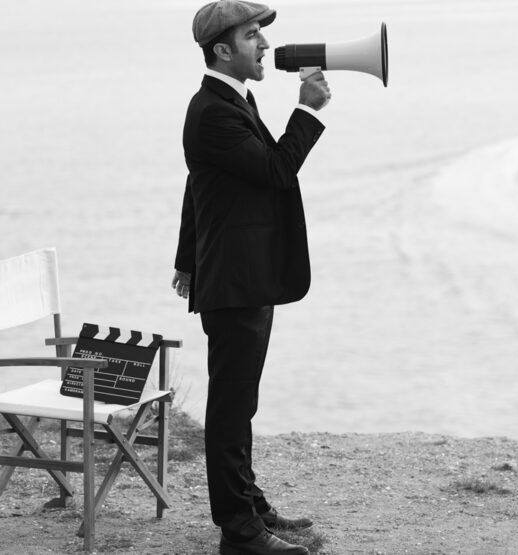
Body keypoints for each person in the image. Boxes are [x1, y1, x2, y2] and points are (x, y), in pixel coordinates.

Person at [171, 1, 330, 554]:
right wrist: (307, 113)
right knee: (232, 405)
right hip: (236, 281)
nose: (264, 45)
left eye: (261, 34)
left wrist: (186, 258)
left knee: (242, 402)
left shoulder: (232, 100)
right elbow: (274, 172)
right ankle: (238, 532)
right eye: (251, 35)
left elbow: (200, 188)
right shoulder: (213, 111)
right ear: (222, 49)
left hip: (243, 276)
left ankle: (250, 506)